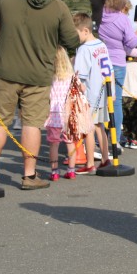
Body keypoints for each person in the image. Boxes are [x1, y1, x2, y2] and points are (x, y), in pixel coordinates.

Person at [0, 0, 80, 190]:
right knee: (32, 123)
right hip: (38, 75)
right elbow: (72, 41)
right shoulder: (58, 7)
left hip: (6, 70)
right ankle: (29, 175)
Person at [99, 0, 137, 147]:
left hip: (100, 61)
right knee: (115, 102)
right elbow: (132, 43)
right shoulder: (122, 19)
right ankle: (115, 139)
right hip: (117, 62)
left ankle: (98, 139)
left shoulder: (98, 14)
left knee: (97, 101)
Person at [72, 13, 111, 172]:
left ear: (86, 31)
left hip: (89, 95)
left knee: (88, 129)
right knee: (99, 126)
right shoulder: (102, 45)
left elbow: (79, 77)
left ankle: (89, 164)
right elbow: (109, 70)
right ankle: (105, 158)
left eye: (76, 33)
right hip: (102, 92)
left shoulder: (83, 50)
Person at [45, 47, 79, 181]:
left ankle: (54, 172)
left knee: (54, 144)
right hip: (68, 112)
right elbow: (80, 89)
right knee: (70, 142)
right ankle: (71, 170)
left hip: (53, 113)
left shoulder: (49, 77)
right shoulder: (72, 77)